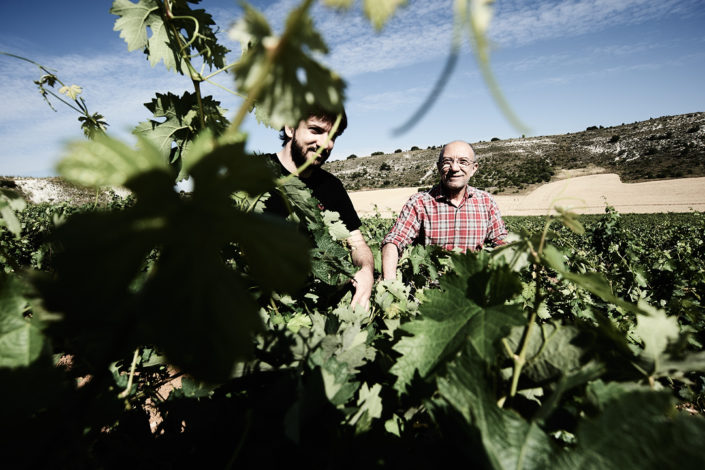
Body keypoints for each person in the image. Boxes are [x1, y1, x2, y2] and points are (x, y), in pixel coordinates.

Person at [263, 107, 374, 309]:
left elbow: (357, 243)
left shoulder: (332, 187)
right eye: (316, 130)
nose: (326, 144)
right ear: (290, 128)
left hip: (312, 309)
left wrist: (366, 270)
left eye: (333, 136)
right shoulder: (250, 173)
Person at [381, 140, 507, 280]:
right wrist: (389, 281)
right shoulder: (420, 202)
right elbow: (395, 240)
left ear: (474, 168)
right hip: (430, 291)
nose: (454, 168)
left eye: (463, 162)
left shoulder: (486, 202)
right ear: (438, 167)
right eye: (447, 162)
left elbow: (501, 242)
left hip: (474, 288)